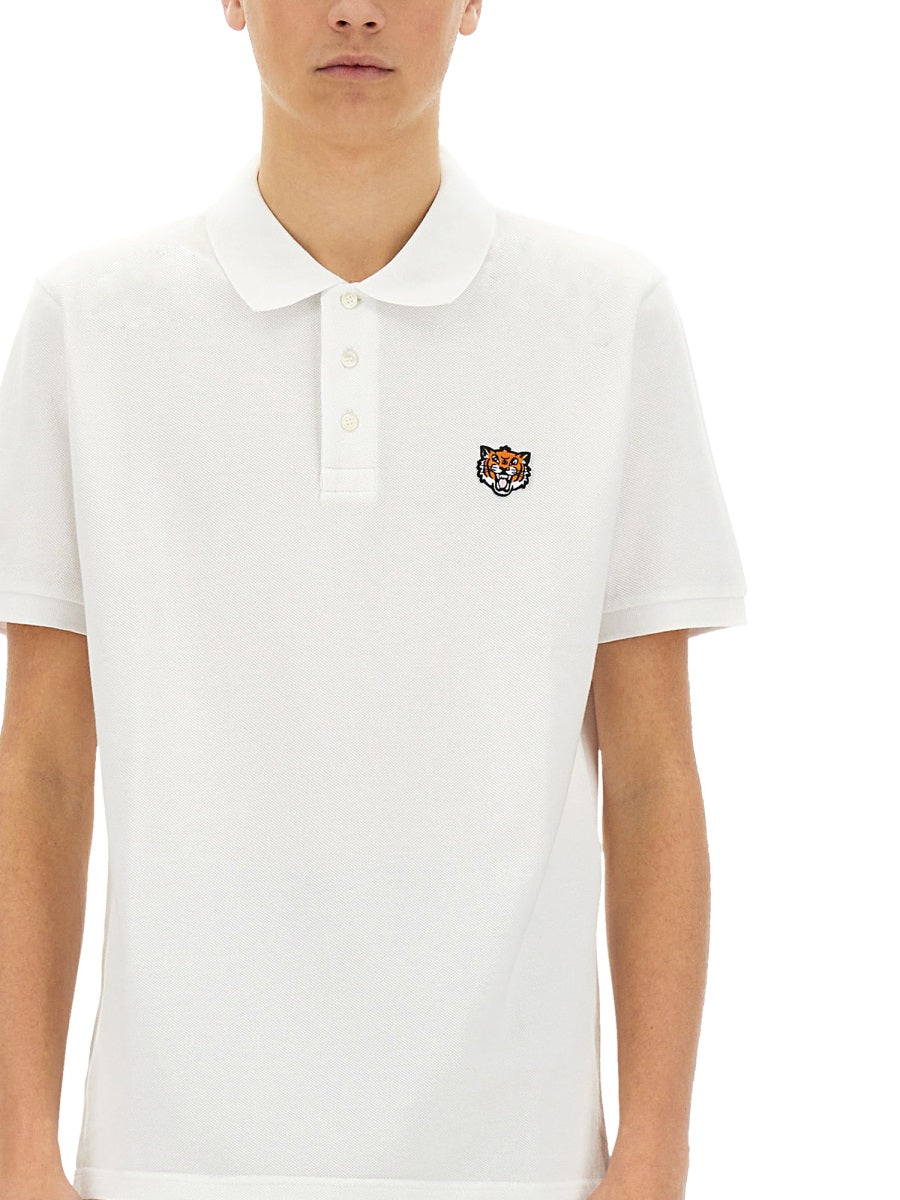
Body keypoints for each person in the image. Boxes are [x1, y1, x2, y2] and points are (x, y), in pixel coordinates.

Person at [0, 3, 748, 1200]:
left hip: (516, 1162)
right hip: (168, 1159)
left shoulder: (605, 319)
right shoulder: (92, 323)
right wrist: (16, 1153)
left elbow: (653, 768)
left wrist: (655, 1156)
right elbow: (40, 762)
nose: (356, 10)